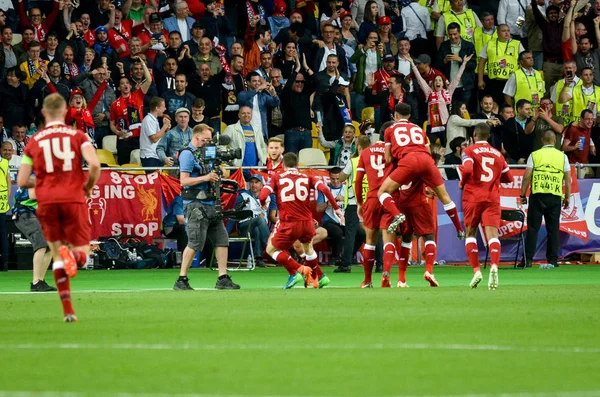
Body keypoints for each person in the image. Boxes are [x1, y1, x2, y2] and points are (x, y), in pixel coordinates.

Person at [17, 93, 101, 322]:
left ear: (44, 114)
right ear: (65, 113)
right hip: (73, 199)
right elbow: (94, 165)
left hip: (47, 203)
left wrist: (45, 181)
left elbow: (23, 181)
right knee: (81, 255)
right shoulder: (78, 135)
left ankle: (68, 311)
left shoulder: (33, 141)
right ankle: (74, 258)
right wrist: (86, 187)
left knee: (56, 254)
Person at [378, 103, 466, 286]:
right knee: (444, 197)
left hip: (403, 188)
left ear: (395, 116)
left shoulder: (390, 129)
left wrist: (399, 160)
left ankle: (399, 278)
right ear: (409, 116)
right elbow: (426, 153)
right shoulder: (418, 128)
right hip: (424, 165)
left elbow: (387, 159)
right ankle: (459, 228)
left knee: (383, 193)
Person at [258, 152, 343, 289]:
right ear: (298, 165)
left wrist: (263, 203)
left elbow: (263, 195)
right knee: (307, 248)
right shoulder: (308, 177)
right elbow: (326, 190)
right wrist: (336, 208)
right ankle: (319, 277)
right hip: (307, 222)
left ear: (283, 164)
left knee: (271, 249)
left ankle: (297, 270)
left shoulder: (277, 177)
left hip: (289, 222)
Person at [173, 123, 240, 290]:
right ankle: (181, 279)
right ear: (196, 137)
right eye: (206, 139)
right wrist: (206, 178)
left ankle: (222, 278)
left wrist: (219, 174)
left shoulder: (207, 154)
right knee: (195, 241)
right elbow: (184, 181)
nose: (210, 143)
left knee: (222, 240)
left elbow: (213, 174)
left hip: (211, 203)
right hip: (196, 204)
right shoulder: (187, 154)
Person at [459, 123, 513, 289]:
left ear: (474, 134)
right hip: (492, 197)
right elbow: (509, 178)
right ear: (488, 136)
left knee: (470, 234)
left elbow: (467, 169)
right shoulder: (498, 154)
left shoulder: (468, 151)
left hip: (473, 197)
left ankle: (476, 271)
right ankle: (495, 266)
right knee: (493, 236)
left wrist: (462, 183)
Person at [520, 130, 572, 269]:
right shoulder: (562, 157)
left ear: (542, 140)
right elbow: (567, 180)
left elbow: (526, 176)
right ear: (555, 141)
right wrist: (567, 197)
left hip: (537, 194)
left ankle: (527, 260)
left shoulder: (535, 155)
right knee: (553, 229)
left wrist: (522, 195)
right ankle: (553, 260)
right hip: (554, 196)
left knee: (532, 228)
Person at [355, 136, 398, 288]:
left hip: (372, 198)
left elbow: (358, 180)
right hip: (389, 197)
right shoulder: (393, 151)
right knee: (388, 240)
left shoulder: (366, 152)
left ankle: (367, 281)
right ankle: (386, 275)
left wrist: (359, 202)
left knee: (370, 241)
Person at [410, 53, 474, 147]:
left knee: (446, 146)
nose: (438, 82)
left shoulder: (448, 93)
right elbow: (420, 79)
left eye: (440, 80)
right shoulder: (429, 93)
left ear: (443, 83)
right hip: (431, 126)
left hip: (445, 125)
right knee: (432, 147)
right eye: (436, 81)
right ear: (433, 83)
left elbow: (457, 78)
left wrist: (464, 63)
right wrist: (412, 62)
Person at [12, 186, 56, 291]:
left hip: (33, 213)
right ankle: (36, 282)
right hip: (24, 213)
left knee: (50, 246)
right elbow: (33, 195)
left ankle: (40, 281)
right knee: (41, 245)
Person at [235, 175, 277, 268]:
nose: (254, 185)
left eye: (256, 182)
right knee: (259, 219)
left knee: (258, 228)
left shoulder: (269, 197)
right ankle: (271, 248)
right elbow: (235, 214)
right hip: (245, 226)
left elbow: (272, 216)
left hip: (259, 228)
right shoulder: (243, 196)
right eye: (252, 182)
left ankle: (259, 258)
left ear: (262, 185)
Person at [562, 109, 597, 178]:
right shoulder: (573, 129)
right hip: (575, 166)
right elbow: (564, 147)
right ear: (581, 119)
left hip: (586, 166)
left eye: (591, 119)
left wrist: (591, 144)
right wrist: (574, 147)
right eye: (587, 119)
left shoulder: (589, 127)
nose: (590, 121)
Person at [140, 97, 171, 168]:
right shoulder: (148, 120)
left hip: (155, 155)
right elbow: (154, 139)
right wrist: (165, 126)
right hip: (149, 156)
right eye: (163, 107)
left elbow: (159, 136)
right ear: (157, 108)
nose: (165, 109)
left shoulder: (154, 120)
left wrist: (166, 130)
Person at [501, 99, 535, 164]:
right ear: (519, 109)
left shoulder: (532, 120)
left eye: (530, 109)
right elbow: (507, 144)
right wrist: (518, 158)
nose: (529, 111)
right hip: (514, 159)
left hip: (531, 158)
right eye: (527, 109)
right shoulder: (509, 123)